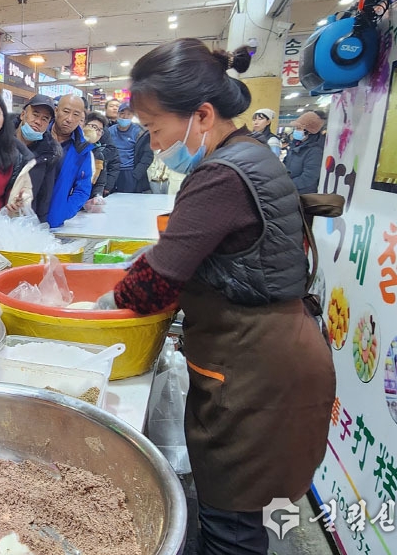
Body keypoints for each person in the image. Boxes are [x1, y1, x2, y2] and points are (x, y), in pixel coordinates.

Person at [97, 38, 335, 555]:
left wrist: (107, 299)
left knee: (233, 526)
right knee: (244, 515)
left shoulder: (221, 175)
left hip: (257, 370)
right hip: (270, 355)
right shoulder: (248, 153)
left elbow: (156, 283)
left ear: (201, 115)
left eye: (156, 129)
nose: (155, 145)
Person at [47, 94, 94, 228]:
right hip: (24, 217)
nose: (69, 119)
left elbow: (82, 189)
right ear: (56, 111)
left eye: (76, 115)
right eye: (66, 112)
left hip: (54, 222)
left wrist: (64, 212)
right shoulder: (38, 136)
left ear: (81, 118)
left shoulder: (82, 150)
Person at [14, 93, 61, 221]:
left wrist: (41, 227)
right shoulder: (1, 141)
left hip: (25, 223)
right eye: (35, 114)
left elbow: (44, 197)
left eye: (45, 119)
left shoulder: (49, 154)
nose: (38, 121)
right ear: (23, 114)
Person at [107, 100, 145, 193]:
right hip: (112, 171)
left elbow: (145, 154)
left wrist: (136, 174)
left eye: (129, 114)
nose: (125, 117)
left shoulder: (138, 131)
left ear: (132, 116)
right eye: (122, 113)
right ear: (117, 114)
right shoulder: (110, 131)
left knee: (127, 200)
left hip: (129, 171)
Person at [284, 110, 325, 194]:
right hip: (291, 191)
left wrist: (287, 185)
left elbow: (309, 177)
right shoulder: (295, 145)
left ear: (309, 131)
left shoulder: (315, 151)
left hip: (303, 195)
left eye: (299, 128)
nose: (295, 131)